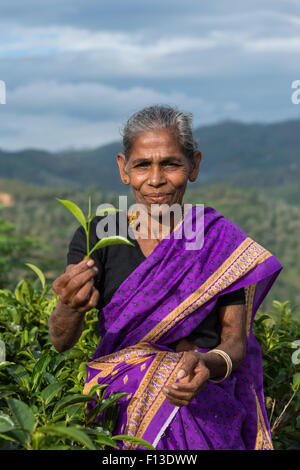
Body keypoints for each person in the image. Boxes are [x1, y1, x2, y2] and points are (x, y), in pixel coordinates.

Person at [49, 105, 282, 450]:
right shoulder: (98, 234)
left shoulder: (220, 241)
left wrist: (208, 363)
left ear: (194, 166)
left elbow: (235, 341)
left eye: (171, 164)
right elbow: (61, 340)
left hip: (202, 404)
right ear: (123, 169)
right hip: (122, 405)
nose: (156, 179)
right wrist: (70, 307)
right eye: (143, 165)